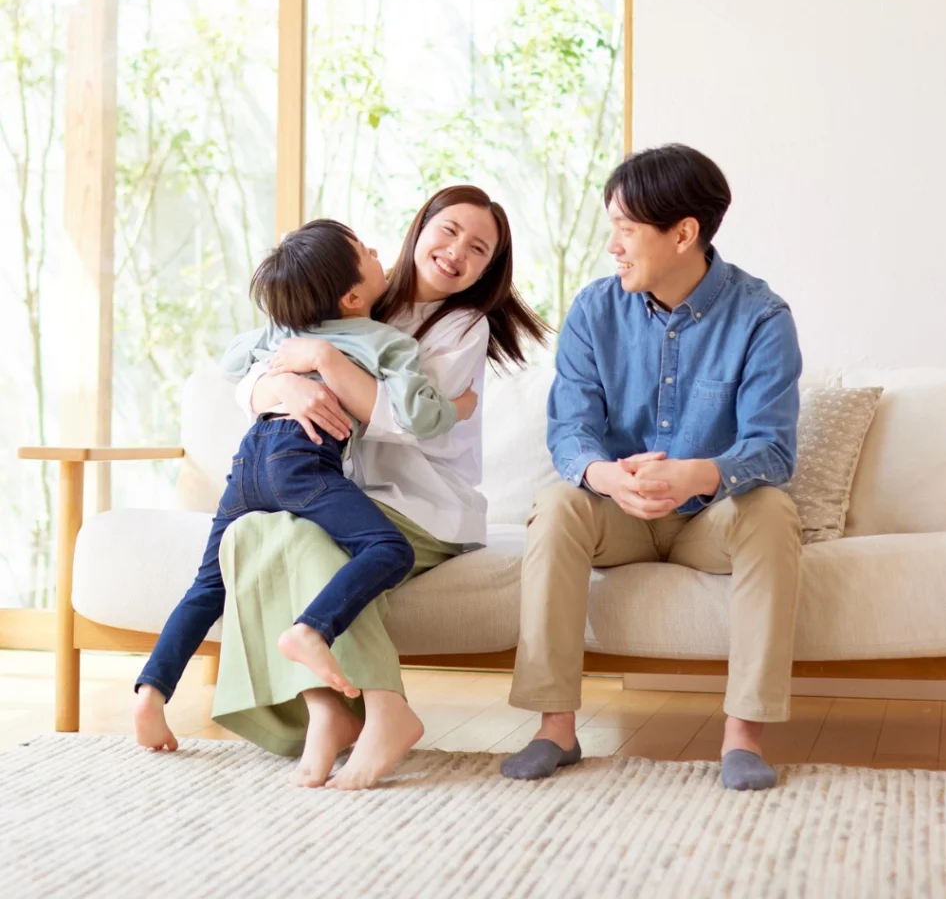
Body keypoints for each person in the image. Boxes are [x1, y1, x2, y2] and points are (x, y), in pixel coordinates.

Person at [216, 185, 549, 789]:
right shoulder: (355, 289)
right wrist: (281, 389)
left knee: (305, 540)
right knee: (251, 531)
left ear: (489, 269)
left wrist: (326, 361)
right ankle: (326, 711)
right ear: (419, 226)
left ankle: (385, 708)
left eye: (478, 248)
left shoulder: (463, 325)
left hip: (426, 508)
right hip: (338, 489)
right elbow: (256, 363)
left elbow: (409, 424)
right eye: (447, 230)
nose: (456, 252)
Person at [500, 144, 803, 791]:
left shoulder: (762, 318)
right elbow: (571, 430)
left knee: (772, 510)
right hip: (620, 514)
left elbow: (773, 449)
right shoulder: (592, 311)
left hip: (708, 522)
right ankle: (556, 727)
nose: (613, 245)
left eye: (626, 228)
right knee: (556, 504)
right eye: (612, 227)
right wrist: (607, 477)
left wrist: (698, 475)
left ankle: (742, 735)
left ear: (684, 233)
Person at [134, 220, 478, 748]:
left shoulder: (283, 331)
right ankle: (311, 629)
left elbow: (231, 362)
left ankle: (151, 697)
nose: (375, 249)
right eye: (365, 250)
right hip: (301, 463)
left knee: (208, 587)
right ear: (354, 294)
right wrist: (458, 406)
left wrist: (284, 355)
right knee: (386, 547)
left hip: (248, 463)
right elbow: (422, 416)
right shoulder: (387, 342)